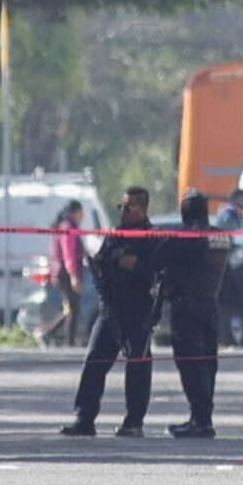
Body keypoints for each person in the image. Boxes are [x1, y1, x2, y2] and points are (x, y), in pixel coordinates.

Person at [60, 187, 159, 438]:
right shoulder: (116, 235)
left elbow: (158, 274)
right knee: (94, 362)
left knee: (137, 367)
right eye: (121, 207)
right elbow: (102, 261)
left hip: (137, 311)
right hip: (111, 310)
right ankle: (85, 418)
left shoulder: (152, 238)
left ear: (143, 209)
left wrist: (136, 265)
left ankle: (133, 421)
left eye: (129, 208)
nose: (123, 212)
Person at [155, 190, 231, 438]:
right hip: (210, 305)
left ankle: (199, 420)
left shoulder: (188, 237)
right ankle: (203, 417)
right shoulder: (220, 236)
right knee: (208, 364)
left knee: (191, 364)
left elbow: (162, 256)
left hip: (187, 307)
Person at [42, 200, 87, 347]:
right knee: (73, 309)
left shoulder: (64, 226)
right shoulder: (67, 228)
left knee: (70, 308)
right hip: (66, 274)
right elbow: (69, 253)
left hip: (62, 273)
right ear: (75, 212)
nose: (82, 217)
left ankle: (49, 333)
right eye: (81, 213)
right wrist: (73, 275)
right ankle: (69, 343)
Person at [216, 188, 243, 346]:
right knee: (232, 303)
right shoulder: (228, 214)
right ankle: (228, 337)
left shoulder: (238, 214)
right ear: (238, 199)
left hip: (241, 262)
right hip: (234, 264)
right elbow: (232, 239)